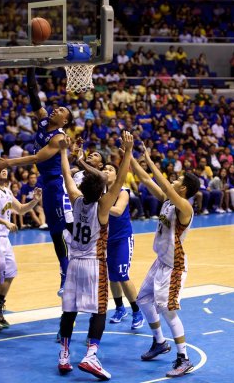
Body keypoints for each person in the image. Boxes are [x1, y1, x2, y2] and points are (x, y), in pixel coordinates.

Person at [57, 131, 133, 380]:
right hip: (93, 263)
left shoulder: (76, 198)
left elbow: (67, 176)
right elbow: (120, 180)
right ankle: (90, 355)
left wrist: (63, 152)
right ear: (102, 189)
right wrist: (128, 153)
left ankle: (64, 355)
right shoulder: (102, 206)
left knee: (69, 311)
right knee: (100, 310)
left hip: (74, 263)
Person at [0, 68, 73, 293]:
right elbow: (33, 94)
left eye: (61, 110)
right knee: (57, 230)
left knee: (61, 230)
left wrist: (8, 162)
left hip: (57, 183)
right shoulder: (45, 121)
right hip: (46, 182)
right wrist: (31, 68)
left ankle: (69, 270)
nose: (56, 108)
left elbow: (37, 157)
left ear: (65, 120)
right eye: (57, 107)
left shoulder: (59, 137)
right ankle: (70, 265)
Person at [130, 144, 200, 378]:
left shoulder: (184, 206)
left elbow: (160, 182)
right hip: (161, 261)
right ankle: (160, 342)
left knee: (168, 311)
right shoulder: (168, 201)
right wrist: (128, 156)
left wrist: (150, 161)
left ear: (184, 188)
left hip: (174, 266)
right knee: (143, 300)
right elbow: (146, 180)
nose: (173, 180)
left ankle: (184, 357)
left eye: (178, 179)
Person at [0, 161, 43, 332]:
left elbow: (20, 209)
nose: (4, 170)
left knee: (10, 273)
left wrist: (34, 201)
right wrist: (5, 222)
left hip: (3, 237)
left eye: (5, 168)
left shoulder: (6, 190)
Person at [103, 162, 144, 329]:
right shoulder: (101, 193)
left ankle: (136, 311)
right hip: (106, 240)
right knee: (112, 276)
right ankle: (120, 308)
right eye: (104, 169)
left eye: (110, 169)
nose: (106, 171)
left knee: (122, 274)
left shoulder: (123, 191)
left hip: (122, 239)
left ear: (117, 175)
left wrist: (99, 202)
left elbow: (118, 211)